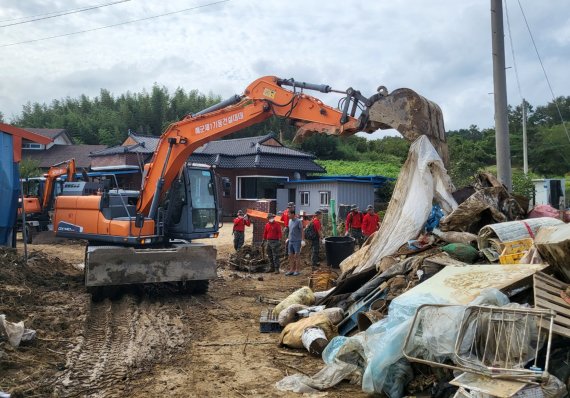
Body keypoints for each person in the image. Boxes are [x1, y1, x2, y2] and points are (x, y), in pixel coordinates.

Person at [285, 209, 304, 276]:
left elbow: (302, 231)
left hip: (297, 241)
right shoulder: (290, 221)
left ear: (293, 214)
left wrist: (302, 240)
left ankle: (297, 270)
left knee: (296, 255)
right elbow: (290, 230)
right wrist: (288, 238)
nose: (288, 215)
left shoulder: (298, 221)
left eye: (289, 214)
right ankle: (291, 270)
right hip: (290, 240)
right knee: (290, 255)